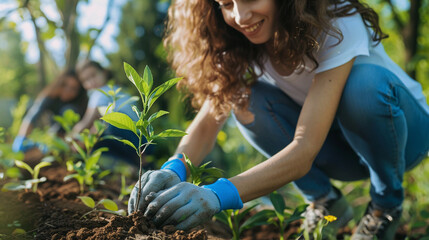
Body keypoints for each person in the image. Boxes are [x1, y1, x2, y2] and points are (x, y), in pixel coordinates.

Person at [128, 0, 429, 239]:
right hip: (339, 151)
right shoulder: (239, 42)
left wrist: (215, 195)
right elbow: (208, 124)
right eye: (226, 4)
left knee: (363, 86)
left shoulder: (337, 19)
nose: (241, 16)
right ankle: (325, 201)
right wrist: (174, 167)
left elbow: (304, 148)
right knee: (242, 98)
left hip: (401, 138)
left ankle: (385, 206)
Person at [72, 60, 144, 167]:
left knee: (103, 130)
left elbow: (87, 121)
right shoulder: (118, 89)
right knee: (97, 138)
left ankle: (135, 164)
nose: (91, 81)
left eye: (93, 75)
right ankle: (136, 165)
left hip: (129, 135)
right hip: (143, 139)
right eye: (86, 80)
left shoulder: (101, 93)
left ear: (104, 73)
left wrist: (71, 137)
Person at [12, 69, 88, 154]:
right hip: (54, 134)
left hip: (74, 138)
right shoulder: (50, 97)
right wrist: (21, 138)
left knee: (68, 111)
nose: (68, 90)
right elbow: (32, 116)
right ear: (59, 83)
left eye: (73, 88)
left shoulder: (81, 103)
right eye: (65, 85)